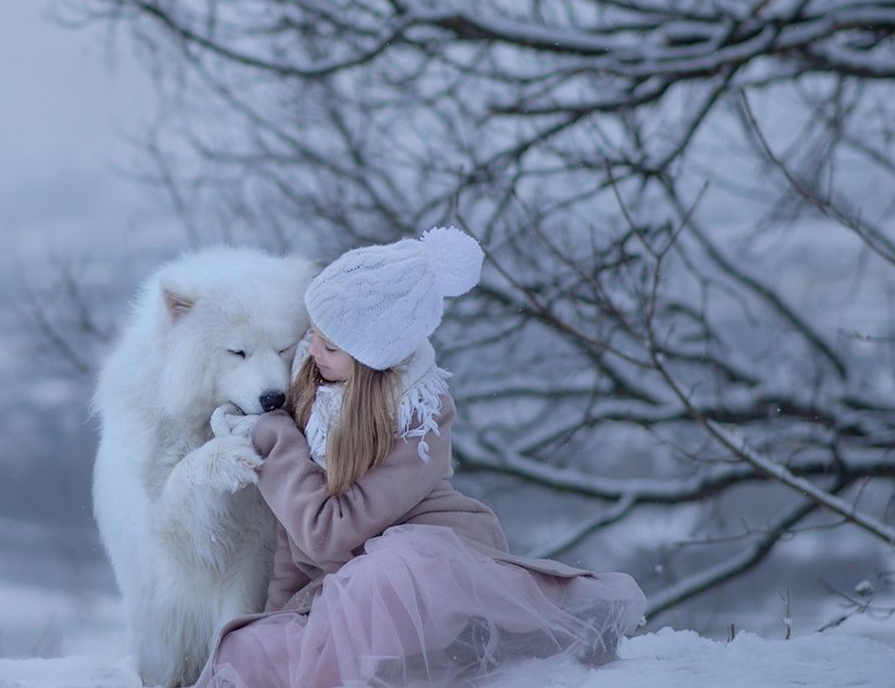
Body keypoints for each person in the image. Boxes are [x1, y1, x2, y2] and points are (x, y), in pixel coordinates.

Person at [188, 226, 647, 688]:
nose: (311, 351)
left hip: (421, 568)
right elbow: (295, 536)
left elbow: (329, 531)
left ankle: (490, 628)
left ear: (372, 358)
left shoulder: (419, 415)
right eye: (313, 333)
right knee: (246, 650)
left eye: (329, 345)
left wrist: (275, 440)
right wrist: (280, 615)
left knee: (381, 576)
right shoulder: (314, 385)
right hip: (341, 584)